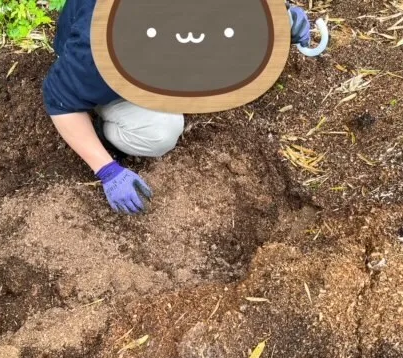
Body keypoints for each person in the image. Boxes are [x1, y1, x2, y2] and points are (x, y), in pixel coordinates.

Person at [43, 0, 312, 215]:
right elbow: (59, 101)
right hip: (98, 66)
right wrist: (107, 170)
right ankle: (107, 124)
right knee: (160, 132)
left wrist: (280, 18)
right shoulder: (100, 48)